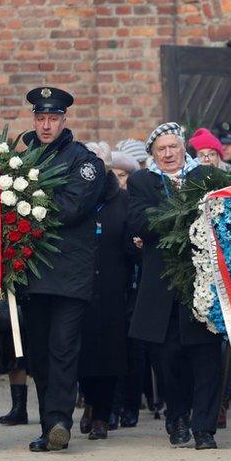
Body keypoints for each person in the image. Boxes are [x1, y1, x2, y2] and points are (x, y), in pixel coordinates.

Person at [128, 122, 223, 450]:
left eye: (173, 148)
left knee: (207, 358)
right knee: (167, 360)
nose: (168, 154)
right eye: (161, 150)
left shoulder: (205, 177)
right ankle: (177, 417)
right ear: (153, 154)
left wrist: (167, 218)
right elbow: (140, 222)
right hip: (161, 285)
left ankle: (205, 427)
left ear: (184, 149)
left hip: (204, 283)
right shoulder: (142, 181)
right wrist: (184, 214)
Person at [21, 87, 106, 453]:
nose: (45, 125)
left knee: (62, 350)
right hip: (31, 275)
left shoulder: (85, 162)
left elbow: (70, 208)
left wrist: (25, 197)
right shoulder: (20, 160)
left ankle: (59, 422)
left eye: (52, 119)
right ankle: (47, 424)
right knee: (38, 355)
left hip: (69, 276)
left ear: (64, 120)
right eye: (40, 118)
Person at [78, 141, 138, 440]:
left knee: (111, 354)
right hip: (81, 286)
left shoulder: (123, 200)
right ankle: (89, 402)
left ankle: (103, 414)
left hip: (114, 287)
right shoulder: (78, 199)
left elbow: (131, 246)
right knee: (84, 353)